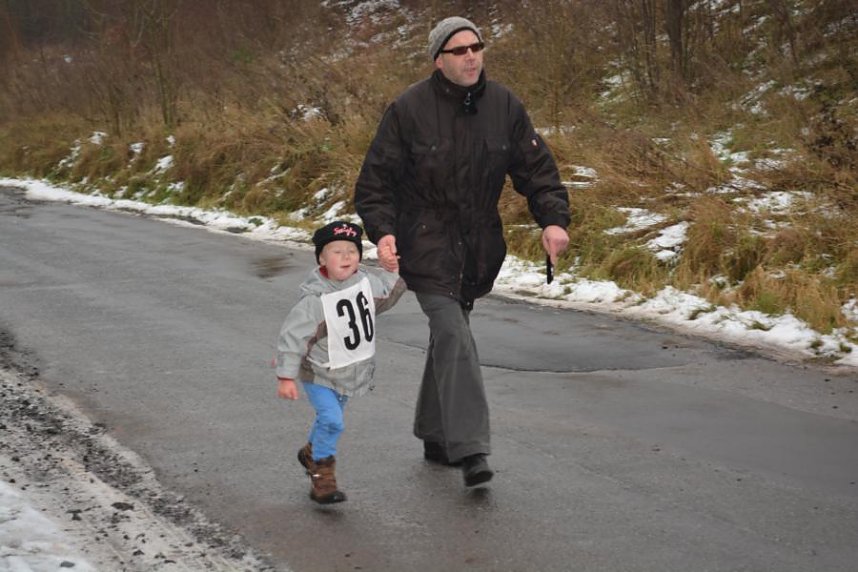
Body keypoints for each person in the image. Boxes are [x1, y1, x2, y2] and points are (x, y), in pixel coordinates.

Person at [354, 16, 570, 487]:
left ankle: (434, 433)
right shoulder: (408, 109)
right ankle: (470, 447)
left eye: (476, 46)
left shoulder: (504, 106)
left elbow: (537, 171)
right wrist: (383, 232)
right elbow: (375, 184)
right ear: (439, 59)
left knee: (452, 333)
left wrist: (552, 220)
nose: (471, 56)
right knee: (453, 332)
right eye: (459, 50)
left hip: (477, 247)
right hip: (424, 242)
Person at [275, 220, 406, 504]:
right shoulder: (315, 300)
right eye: (337, 251)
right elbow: (293, 336)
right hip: (320, 373)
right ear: (322, 258)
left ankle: (310, 452)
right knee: (333, 422)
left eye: (351, 250)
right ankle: (322, 477)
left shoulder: (364, 281)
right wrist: (286, 375)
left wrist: (392, 269)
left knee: (328, 420)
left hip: (352, 369)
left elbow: (385, 294)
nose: (346, 256)